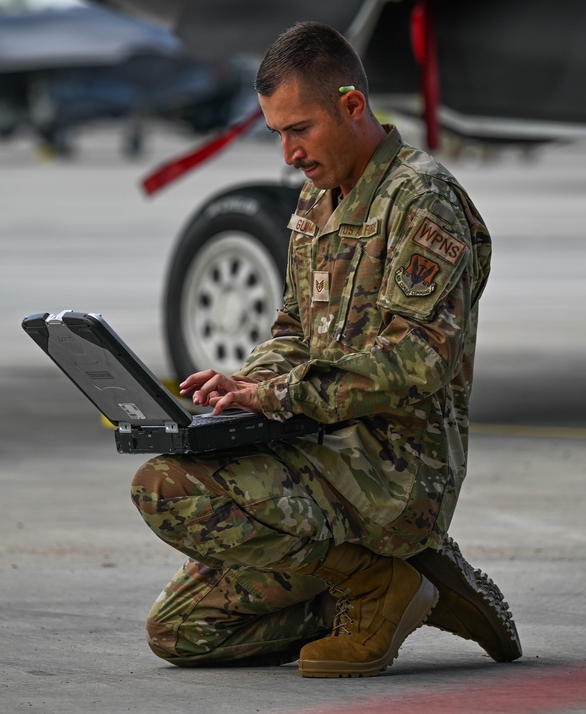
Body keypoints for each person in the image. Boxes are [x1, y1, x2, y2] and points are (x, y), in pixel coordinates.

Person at [130, 21, 520, 678]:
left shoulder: (421, 199)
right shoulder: (317, 202)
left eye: (298, 129)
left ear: (351, 106)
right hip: (321, 453)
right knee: (180, 633)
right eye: (276, 133)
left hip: (394, 473)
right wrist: (238, 390)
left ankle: (380, 585)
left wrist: (279, 395)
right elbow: (291, 333)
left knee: (165, 488)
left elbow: (417, 360)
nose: (287, 154)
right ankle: (410, 578)